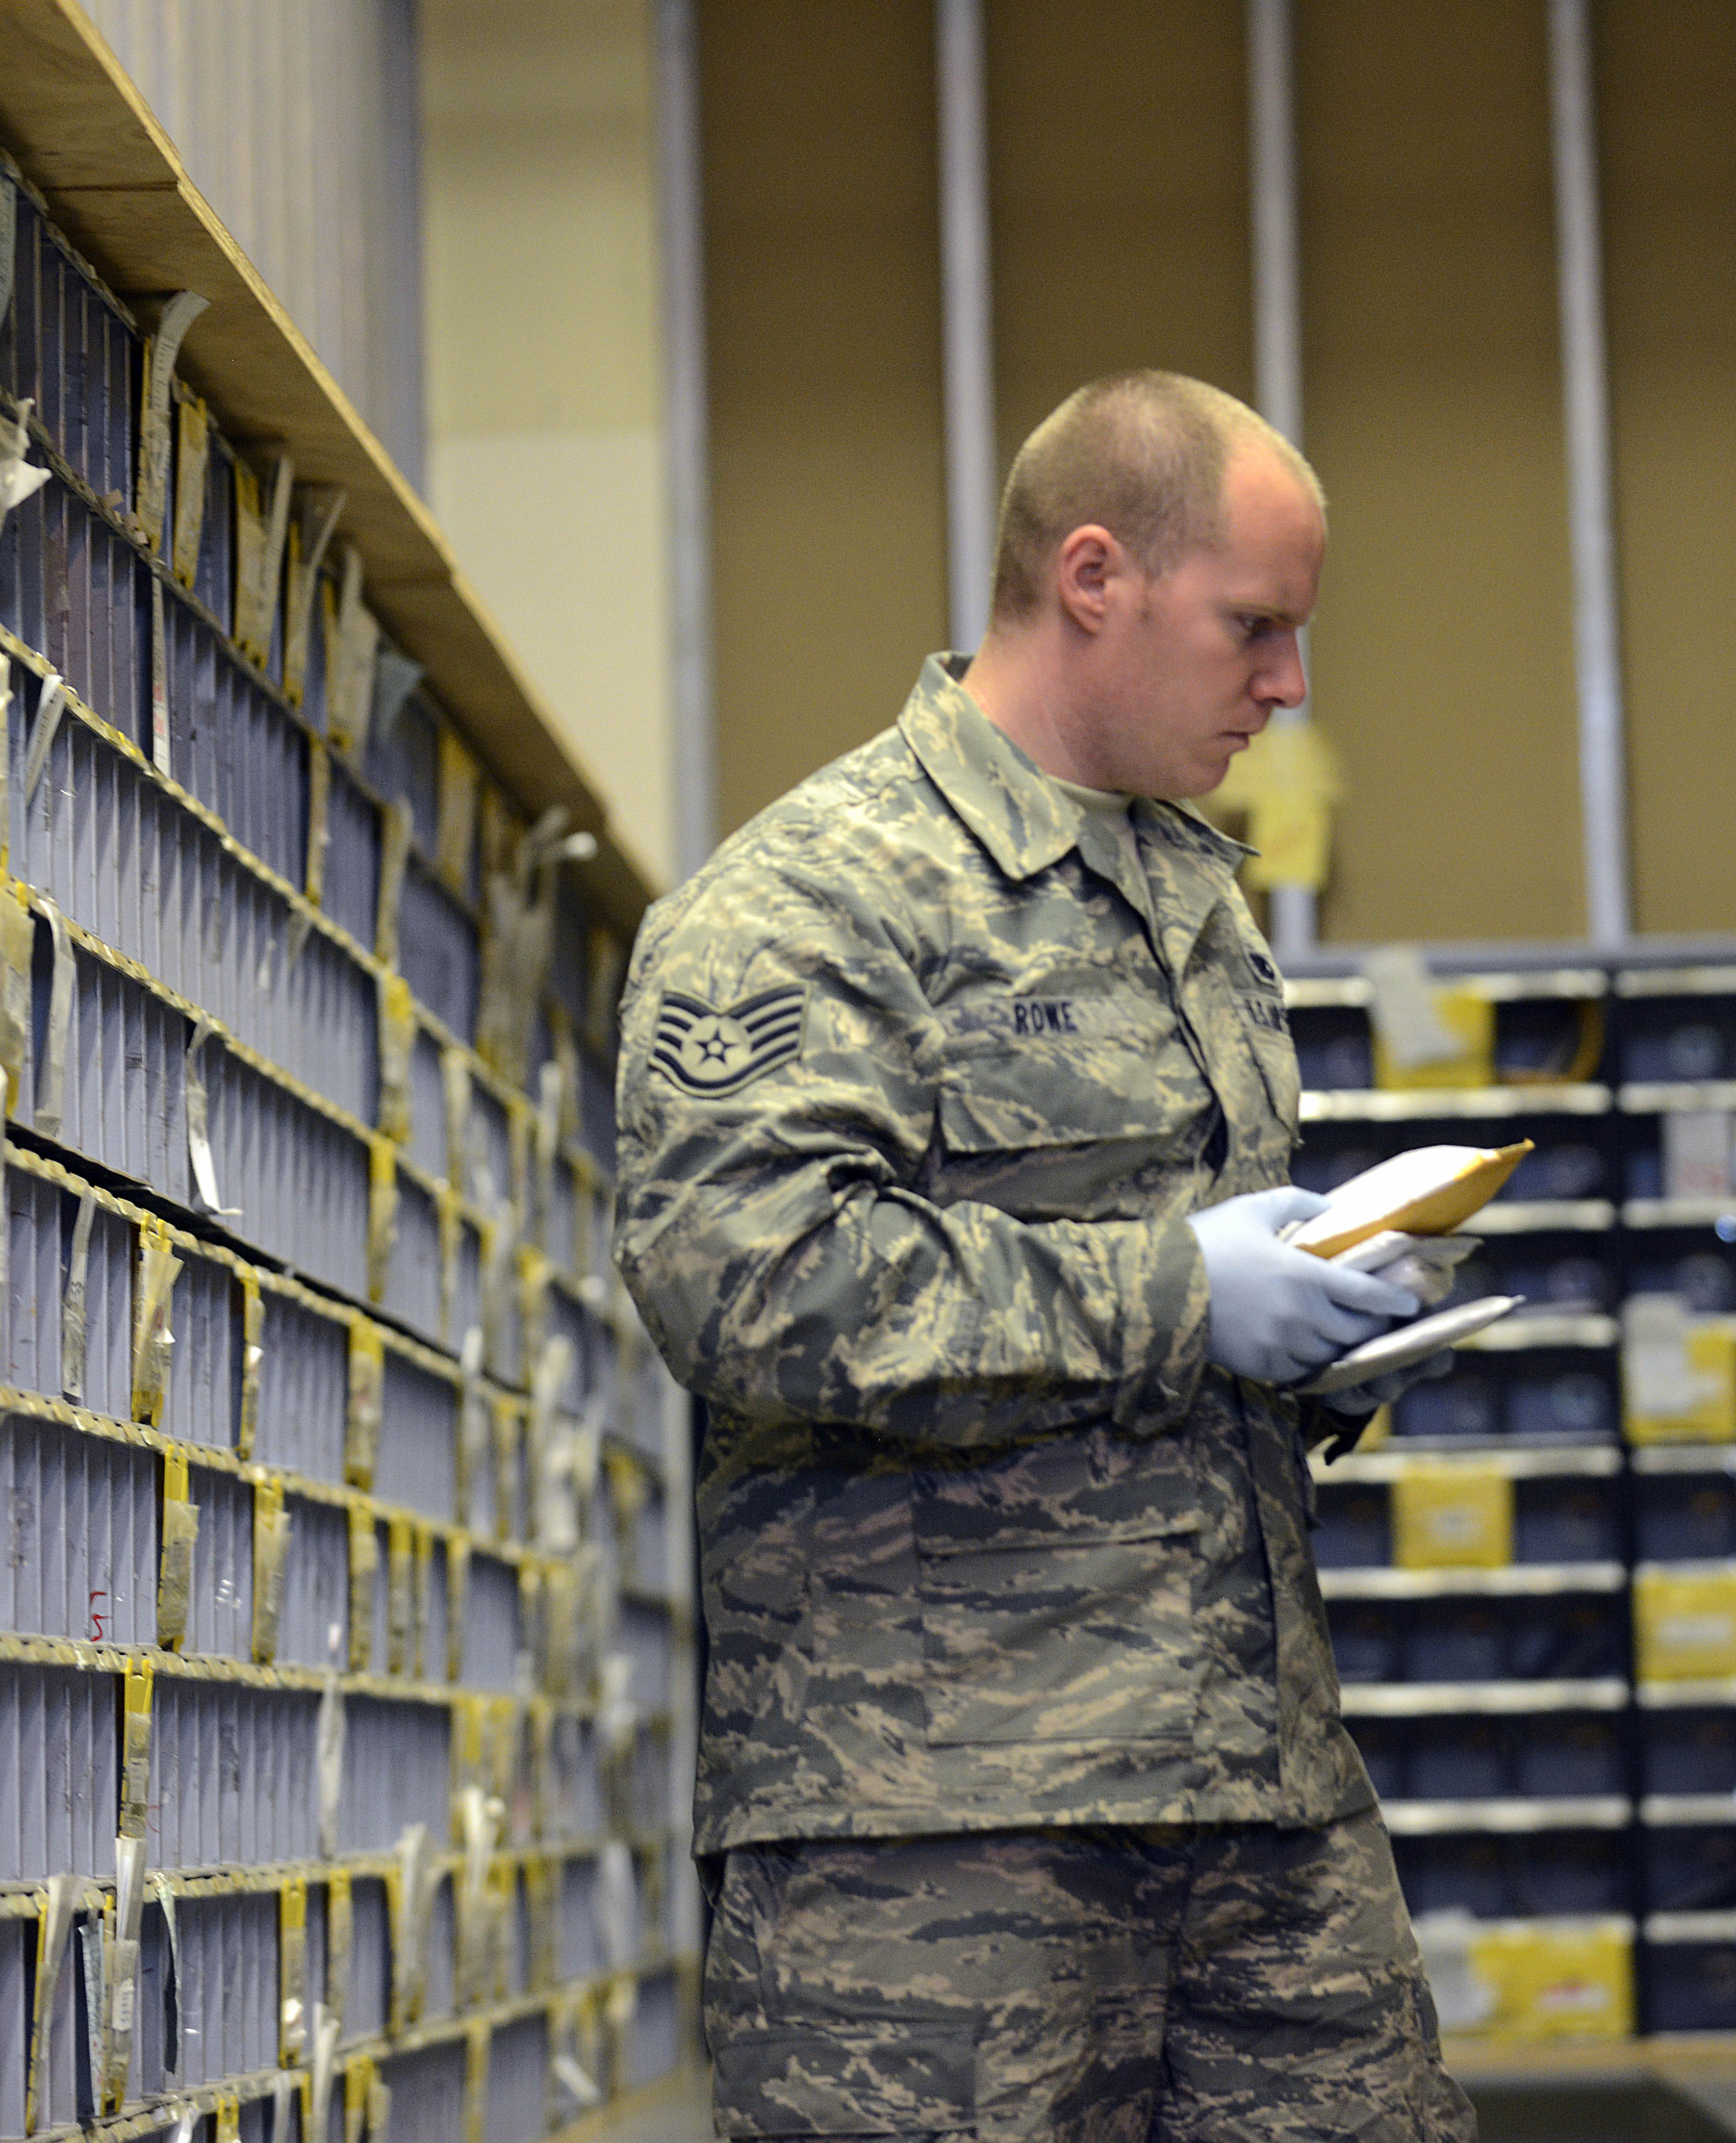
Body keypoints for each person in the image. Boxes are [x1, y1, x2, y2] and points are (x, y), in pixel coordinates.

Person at [614, 371, 1477, 2142]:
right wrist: (1184, 1295)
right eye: (1255, 626)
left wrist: (1322, 1338)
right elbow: (747, 1275)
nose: (1288, 684)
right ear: (1095, 576)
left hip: (1255, 1796)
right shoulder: (809, 901)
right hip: (932, 1834)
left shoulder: (1194, 900)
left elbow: (1169, 1315)